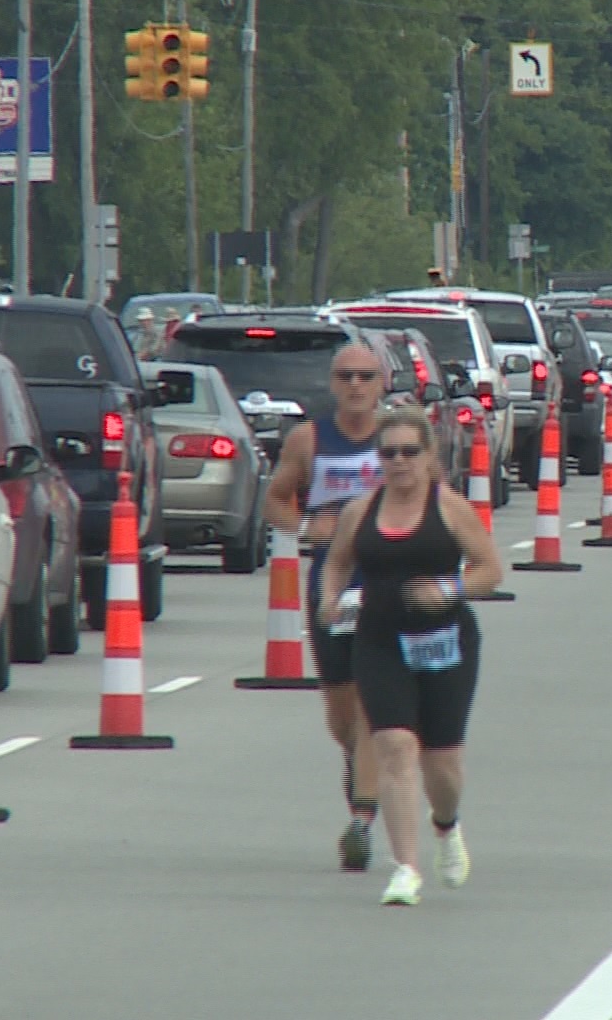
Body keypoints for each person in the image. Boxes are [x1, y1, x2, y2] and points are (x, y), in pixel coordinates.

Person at [315, 408, 502, 906]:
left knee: (442, 764)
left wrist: (450, 588)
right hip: (379, 640)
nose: (398, 462)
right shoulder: (361, 511)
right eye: (389, 453)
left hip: (446, 642)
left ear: (429, 456)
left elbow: (490, 570)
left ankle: (447, 826)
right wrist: (329, 602)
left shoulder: (451, 508)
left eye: (408, 452)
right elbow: (337, 563)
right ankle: (405, 869)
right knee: (395, 745)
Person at [263, 344, 388, 873]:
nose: (356, 385)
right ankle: (358, 764)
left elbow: (435, 497)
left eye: (366, 376)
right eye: (346, 376)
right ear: (333, 383)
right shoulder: (308, 439)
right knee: (342, 713)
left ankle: (361, 818)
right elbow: (273, 499)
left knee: (369, 710)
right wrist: (303, 528)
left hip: (387, 585)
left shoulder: (401, 440)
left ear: (381, 382)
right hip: (332, 585)